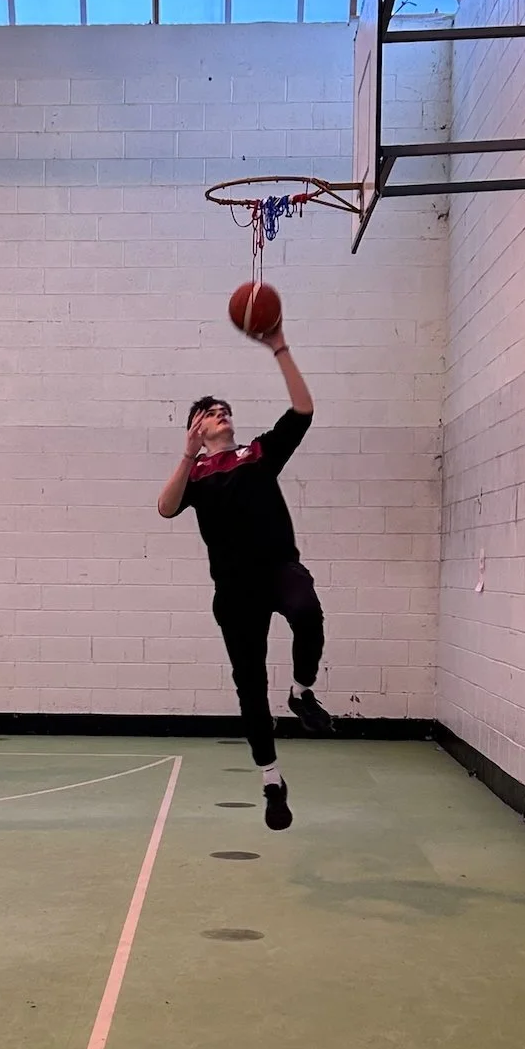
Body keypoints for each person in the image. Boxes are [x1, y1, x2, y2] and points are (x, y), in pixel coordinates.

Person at [156, 328, 336, 831]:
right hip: (234, 592)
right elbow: (165, 508)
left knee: (307, 612)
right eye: (209, 412)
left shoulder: (258, 453)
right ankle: (271, 780)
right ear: (195, 429)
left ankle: (301, 692)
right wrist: (187, 454)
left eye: (224, 409)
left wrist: (279, 346)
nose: (220, 413)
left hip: (278, 569)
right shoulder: (195, 475)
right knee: (250, 687)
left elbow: (303, 411)